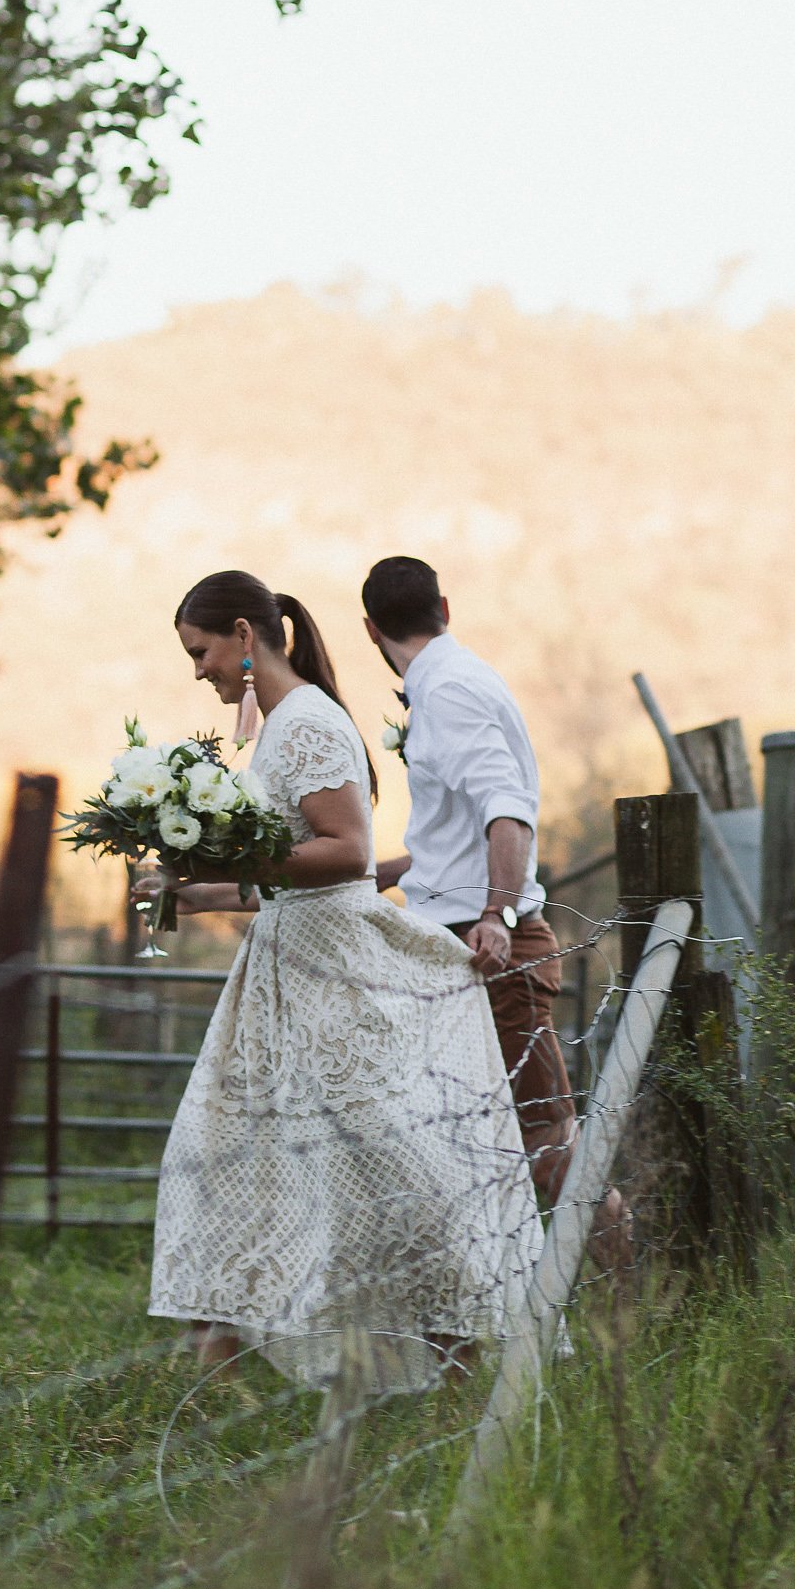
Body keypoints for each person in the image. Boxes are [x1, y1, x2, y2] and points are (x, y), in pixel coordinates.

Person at [139, 569, 544, 1391]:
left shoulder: (309, 723)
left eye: (202, 650)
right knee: (220, 1151)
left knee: (397, 1166)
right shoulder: (278, 727)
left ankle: (454, 1346)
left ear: (245, 637)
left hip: (337, 972)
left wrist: (223, 856)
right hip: (286, 969)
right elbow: (289, 869)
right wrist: (192, 890)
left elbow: (345, 855)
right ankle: (218, 1357)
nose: (198, 670)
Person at [361, 555, 632, 1271]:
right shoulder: (456, 680)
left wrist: (496, 917)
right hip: (455, 943)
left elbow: (505, 813)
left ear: (368, 629)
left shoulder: (447, 691)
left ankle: (636, 1299)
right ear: (443, 607)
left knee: (545, 1140)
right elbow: (447, 846)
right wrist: (365, 877)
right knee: (466, 1143)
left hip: (489, 954)